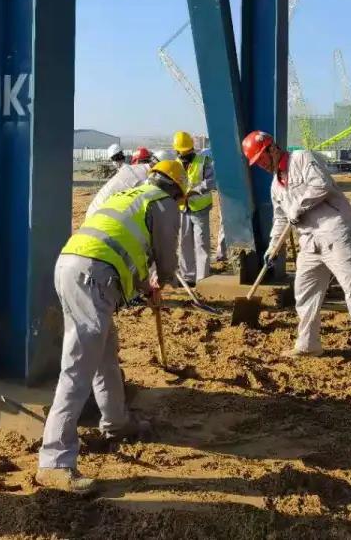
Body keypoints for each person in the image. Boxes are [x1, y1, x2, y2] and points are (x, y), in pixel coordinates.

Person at [37, 160, 186, 494]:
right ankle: (55, 461)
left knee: (104, 353)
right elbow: (165, 259)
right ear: (177, 190)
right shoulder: (163, 204)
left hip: (73, 265)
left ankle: (117, 423)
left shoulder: (131, 195)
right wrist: (164, 280)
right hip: (94, 276)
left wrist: (145, 286)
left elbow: (122, 245)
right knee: (77, 367)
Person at [242, 131, 351, 377]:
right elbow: (281, 218)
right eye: (257, 163)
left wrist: (297, 207)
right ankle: (309, 344)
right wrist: (274, 246)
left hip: (334, 232)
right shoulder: (276, 185)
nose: (262, 165)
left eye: (262, 158)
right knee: (304, 292)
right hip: (309, 241)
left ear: (273, 148)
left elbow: (321, 185)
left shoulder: (302, 159)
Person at [174, 131, 216, 285]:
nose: (184, 154)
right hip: (183, 209)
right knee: (184, 243)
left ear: (192, 148)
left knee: (202, 245)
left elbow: (212, 181)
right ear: (177, 151)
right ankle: (188, 277)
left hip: (200, 209)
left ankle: (202, 278)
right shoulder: (176, 164)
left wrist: (196, 189)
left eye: (187, 151)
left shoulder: (203, 161)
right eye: (182, 152)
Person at [85, 146, 154, 219]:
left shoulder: (127, 170)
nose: (144, 164)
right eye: (143, 162)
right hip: (101, 215)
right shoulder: (132, 174)